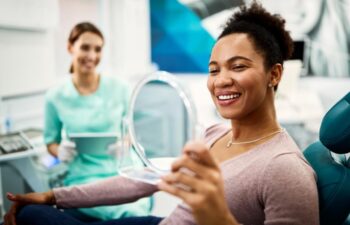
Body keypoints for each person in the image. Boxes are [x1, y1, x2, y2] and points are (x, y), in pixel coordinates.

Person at [3, 2, 319, 225]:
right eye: (213, 69)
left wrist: (218, 218)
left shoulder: (285, 170)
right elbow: (142, 182)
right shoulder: (215, 134)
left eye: (238, 66)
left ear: (274, 74)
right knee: (34, 211)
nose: (221, 80)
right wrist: (54, 196)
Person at [42, 22, 151, 221]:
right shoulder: (55, 96)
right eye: (85, 47)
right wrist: (61, 151)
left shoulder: (120, 88)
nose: (92, 56)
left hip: (122, 170)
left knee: (133, 212)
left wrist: (125, 144)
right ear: (69, 47)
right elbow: (50, 142)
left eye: (98, 49)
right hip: (82, 175)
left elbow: (133, 131)